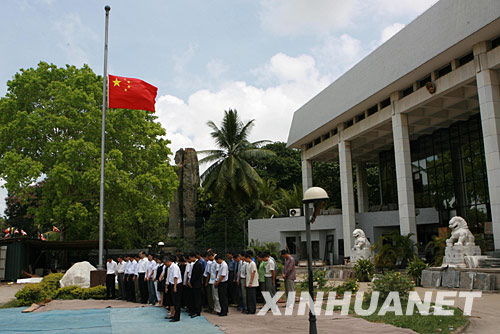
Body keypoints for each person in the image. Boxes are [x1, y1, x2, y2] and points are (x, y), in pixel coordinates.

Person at [165, 256, 182, 322]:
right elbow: (169, 277)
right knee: (172, 301)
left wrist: (175, 287)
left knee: (176, 302)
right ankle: (172, 314)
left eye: (166, 263)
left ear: (168, 262)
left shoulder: (174, 267)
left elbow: (176, 277)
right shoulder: (170, 267)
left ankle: (177, 317)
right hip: (171, 284)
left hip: (176, 284)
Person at [189, 253, 203, 318]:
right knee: (194, 298)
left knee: (197, 298)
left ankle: (197, 311)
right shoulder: (195, 264)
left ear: (193, 257)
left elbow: (196, 275)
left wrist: (191, 281)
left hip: (197, 284)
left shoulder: (198, 264)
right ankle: (194, 310)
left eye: (190, 258)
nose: (190, 260)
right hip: (195, 283)